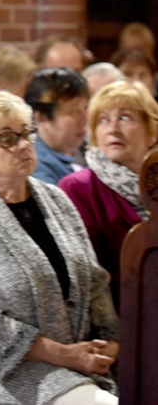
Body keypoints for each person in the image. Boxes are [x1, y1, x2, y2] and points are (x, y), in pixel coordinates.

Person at [0, 86, 119, 405]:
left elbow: (94, 282)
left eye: (26, 133)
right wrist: (65, 356)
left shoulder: (56, 199)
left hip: (91, 361)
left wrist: (110, 343)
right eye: (7, 138)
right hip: (23, 374)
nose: (23, 145)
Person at [59, 80, 158, 310]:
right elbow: (86, 275)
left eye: (125, 117)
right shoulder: (77, 188)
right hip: (119, 318)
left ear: (152, 132)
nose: (113, 128)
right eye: (103, 120)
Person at [24, 67, 89, 184]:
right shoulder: (34, 168)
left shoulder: (90, 147)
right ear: (41, 118)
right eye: (74, 112)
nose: (84, 119)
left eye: (85, 108)